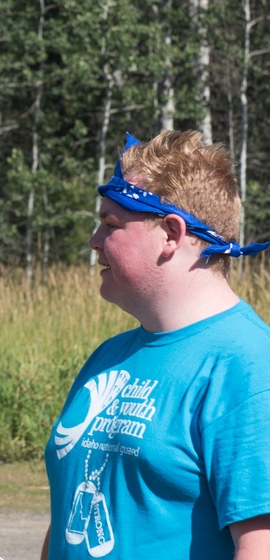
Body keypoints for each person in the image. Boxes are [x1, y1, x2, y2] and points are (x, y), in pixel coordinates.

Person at [41, 131, 270, 559]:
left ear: (170, 233)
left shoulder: (249, 367)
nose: (93, 241)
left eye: (110, 225)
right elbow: (68, 521)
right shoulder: (109, 357)